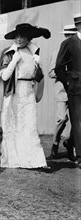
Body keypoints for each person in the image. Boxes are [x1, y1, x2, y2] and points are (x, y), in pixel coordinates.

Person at [0, 23, 50, 169]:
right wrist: (14, 61)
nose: (19, 39)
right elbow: (4, 77)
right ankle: (16, 158)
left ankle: (36, 161)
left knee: (30, 127)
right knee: (15, 127)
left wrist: (39, 66)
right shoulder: (9, 53)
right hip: (14, 94)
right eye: (17, 36)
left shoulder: (33, 53)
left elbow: (38, 77)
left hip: (28, 93)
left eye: (23, 36)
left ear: (28, 39)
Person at [55, 13, 81, 168]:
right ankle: (80, 156)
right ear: (78, 25)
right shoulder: (69, 43)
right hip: (76, 88)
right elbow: (59, 67)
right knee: (78, 121)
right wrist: (68, 82)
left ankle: (70, 142)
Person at [48, 24, 77, 159]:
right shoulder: (58, 50)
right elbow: (51, 72)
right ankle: (55, 143)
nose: (70, 38)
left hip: (76, 90)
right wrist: (65, 75)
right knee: (62, 118)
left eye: (72, 35)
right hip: (62, 90)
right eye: (68, 35)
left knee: (77, 121)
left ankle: (70, 144)